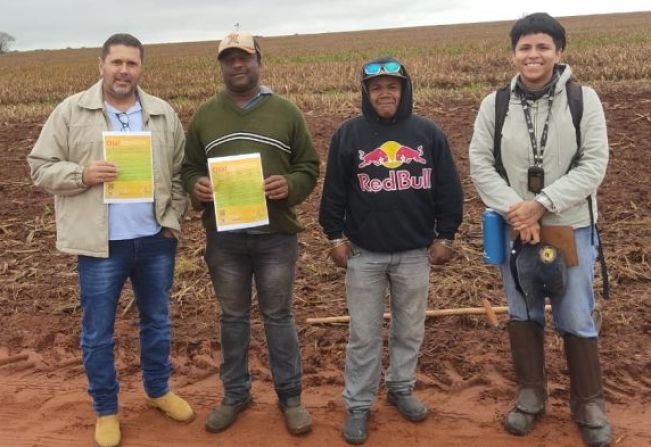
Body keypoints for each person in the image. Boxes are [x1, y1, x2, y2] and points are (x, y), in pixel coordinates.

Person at [28, 34, 193, 447]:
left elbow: (179, 172)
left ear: (141, 68)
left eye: (132, 64)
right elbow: (39, 166)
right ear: (100, 64)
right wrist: (81, 175)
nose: (124, 70)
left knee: (156, 321)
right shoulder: (71, 111)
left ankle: (157, 391)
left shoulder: (160, 113)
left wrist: (172, 222)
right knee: (98, 332)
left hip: (154, 240)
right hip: (101, 246)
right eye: (116, 62)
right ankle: (106, 409)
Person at [469, 13, 611, 447]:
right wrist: (518, 211)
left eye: (543, 47)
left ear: (559, 52)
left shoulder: (584, 100)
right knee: (523, 311)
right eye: (525, 47)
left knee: (574, 313)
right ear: (513, 53)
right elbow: (480, 164)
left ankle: (588, 403)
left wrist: (540, 205)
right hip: (516, 229)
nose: (533, 55)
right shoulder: (493, 104)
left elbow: (593, 166)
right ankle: (531, 395)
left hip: (571, 227)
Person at [319, 57, 463, 444]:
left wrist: (445, 236)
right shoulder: (348, 135)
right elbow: (333, 191)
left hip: (415, 252)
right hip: (364, 255)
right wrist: (335, 237)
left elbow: (449, 189)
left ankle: (400, 388)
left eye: (392, 86)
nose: (385, 93)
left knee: (409, 330)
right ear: (366, 93)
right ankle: (359, 404)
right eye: (377, 87)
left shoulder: (427, 134)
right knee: (364, 335)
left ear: (404, 90)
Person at [181, 31, 319, 436]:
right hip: (224, 239)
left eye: (244, 58)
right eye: (229, 59)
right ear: (221, 66)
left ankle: (290, 397)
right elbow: (188, 168)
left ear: (259, 61)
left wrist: (289, 187)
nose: (237, 65)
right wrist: (197, 187)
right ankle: (235, 393)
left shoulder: (286, 112)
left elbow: (308, 166)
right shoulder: (206, 115)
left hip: (275, 236)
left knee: (279, 317)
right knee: (232, 318)